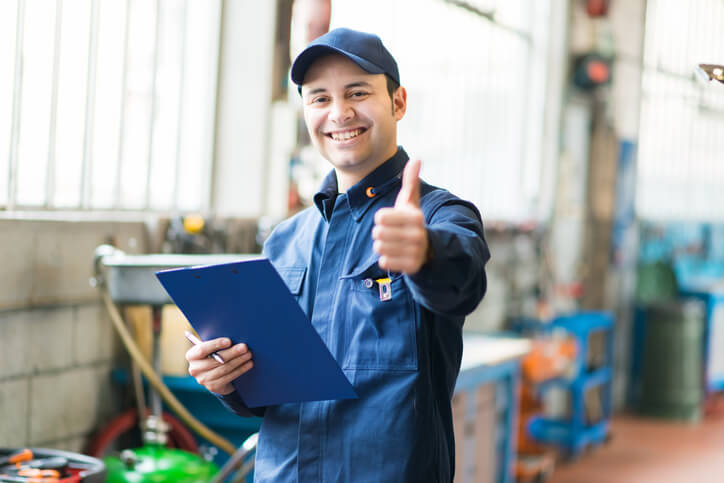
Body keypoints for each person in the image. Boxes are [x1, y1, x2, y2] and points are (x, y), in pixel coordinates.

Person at [186, 27, 490, 482]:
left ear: (398, 102)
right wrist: (226, 380)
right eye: (319, 98)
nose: (339, 113)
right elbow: (268, 392)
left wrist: (424, 252)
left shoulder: (437, 215)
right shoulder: (286, 241)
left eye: (357, 93)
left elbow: (461, 279)